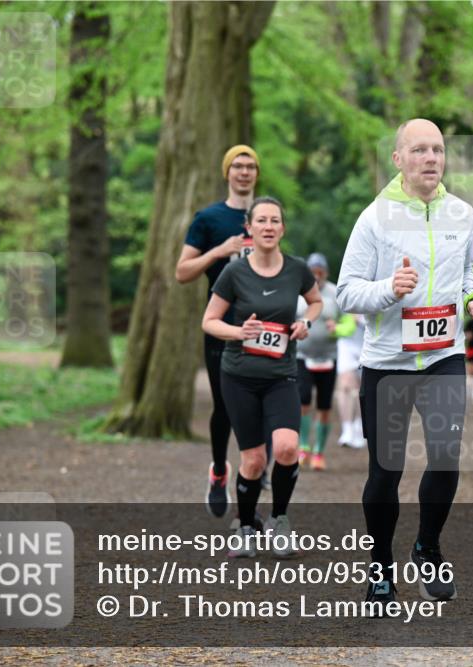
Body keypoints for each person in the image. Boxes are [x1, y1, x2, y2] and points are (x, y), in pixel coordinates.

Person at [337, 118, 473, 612]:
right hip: (387, 363)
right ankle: (380, 568)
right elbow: (346, 292)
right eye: (420, 150)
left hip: (444, 357)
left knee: (447, 457)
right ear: (398, 159)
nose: (431, 158)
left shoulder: (462, 214)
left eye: (438, 150)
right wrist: (389, 290)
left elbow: (466, 272)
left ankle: (427, 546)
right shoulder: (374, 219)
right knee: (386, 471)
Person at [202, 196, 322, 558]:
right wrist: (240, 332)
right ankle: (245, 527)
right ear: (249, 229)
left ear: (282, 229)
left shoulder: (297, 269)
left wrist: (306, 322)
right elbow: (209, 321)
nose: (268, 226)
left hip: (281, 374)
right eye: (262, 221)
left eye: (275, 221)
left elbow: (315, 301)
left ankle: (280, 520)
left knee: (287, 448)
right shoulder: (234, 272)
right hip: (238, 376)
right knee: (253, 460)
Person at [176, 144, 259, 517]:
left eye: (250, 166)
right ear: (227, 173)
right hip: (221, 322)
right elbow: (182, 272)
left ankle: (250, 485)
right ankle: (220, 471)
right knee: (225, 405)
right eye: (237, 166)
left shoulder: (266, 217)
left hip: (261, 324)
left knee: (255, 405)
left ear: (257, 173)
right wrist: (218, 251)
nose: (243, 172)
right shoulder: (208, 218)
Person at [295, 253, 341, 471]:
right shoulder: (297, 291)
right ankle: (303, 446)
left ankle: (319, 452)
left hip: (328, 357)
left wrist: (338, 329)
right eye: (312, 271)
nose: (316, 275)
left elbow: (349, 322)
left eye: (320, 271)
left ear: (326, 273)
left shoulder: (335, 293)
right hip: (302, 356)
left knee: (324, 406)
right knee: (303, 401)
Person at [335, 313, 366, 449]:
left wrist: (359, 319)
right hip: (347, 342)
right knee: (346, 385)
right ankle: (347, 429)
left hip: (369, 343)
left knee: (361, 389)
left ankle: (359, 428)